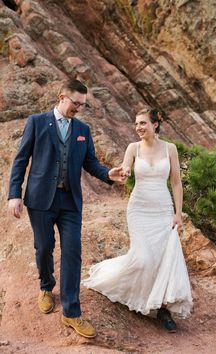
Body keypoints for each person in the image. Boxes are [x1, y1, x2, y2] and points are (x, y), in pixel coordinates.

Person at [8, 79, 127, 339]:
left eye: (83, 104)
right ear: (62, 97)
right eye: (76, 103)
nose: (79, 108)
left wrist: (109, 174)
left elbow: (91, 162)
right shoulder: (37, 122)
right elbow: (20, 160)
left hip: (70, 202)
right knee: (44, 248)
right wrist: (14, 194)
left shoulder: (83, 129)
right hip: (40, 200)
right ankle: (46, 286)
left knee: (73, 253)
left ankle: (71, 312)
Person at [83, 108, 193, 332]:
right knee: (143, 258)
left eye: (143, 123)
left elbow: (176, 183)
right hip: (139, 209)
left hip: (163, 209)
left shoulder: (170, 149)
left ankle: (162, 308)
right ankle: (131, 292)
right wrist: (122, 173)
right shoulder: (133, 148)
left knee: (164, 259)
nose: (139, 128)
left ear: (155, 125)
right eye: (136, 124)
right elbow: (125, 171)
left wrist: (178, 213)